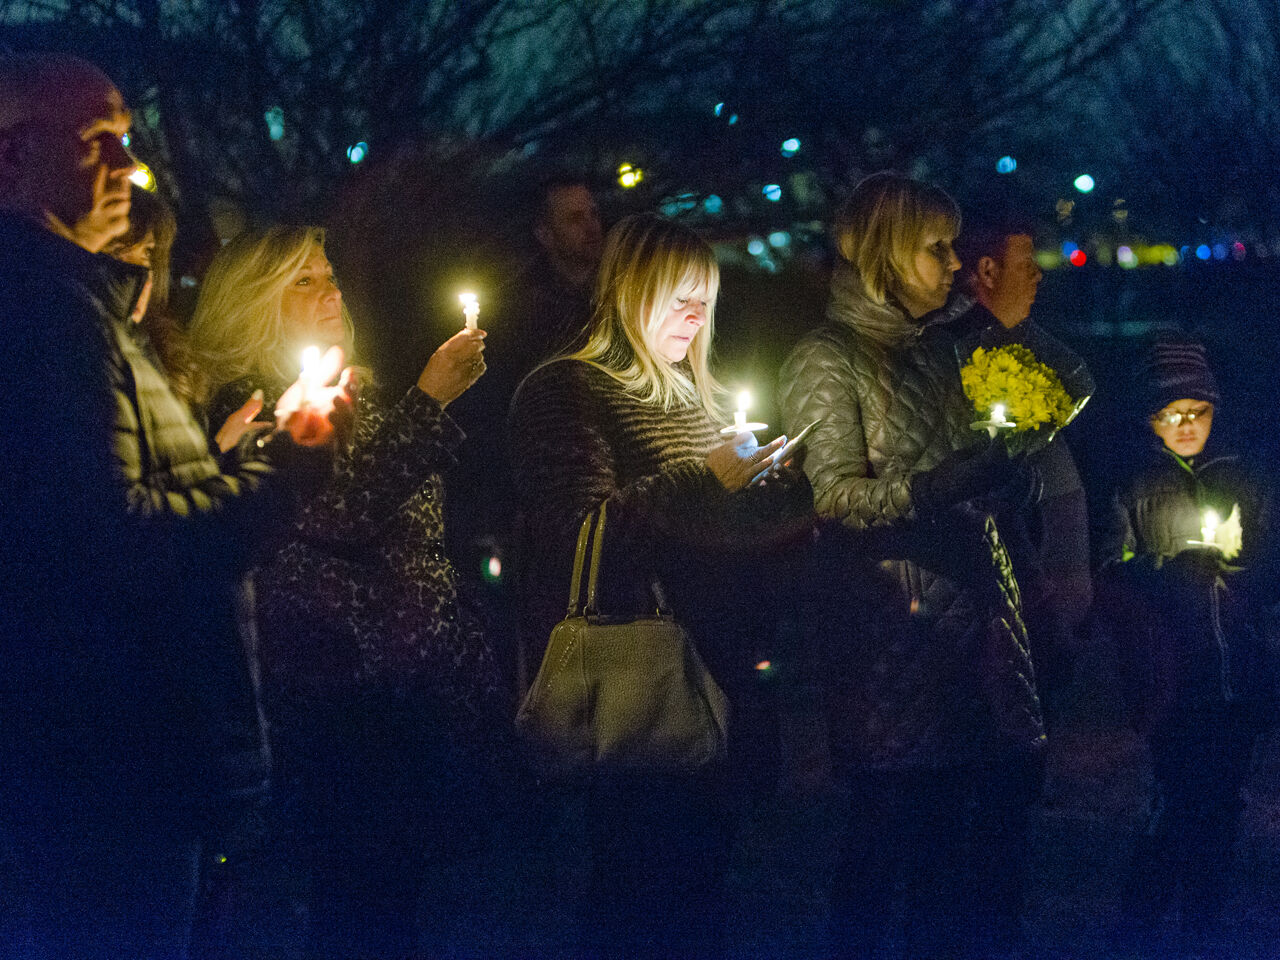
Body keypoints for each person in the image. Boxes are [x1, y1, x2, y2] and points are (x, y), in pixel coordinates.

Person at [0, 54, 346, 959]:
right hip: (108, 765)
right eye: (99, 141)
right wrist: (288, 472)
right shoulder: (48, 319)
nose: (131, 165)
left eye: (129, 137)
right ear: (13, 156)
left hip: (116, 760)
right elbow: (119, 547)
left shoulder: (78, 309)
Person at [190, 224, 504, 959]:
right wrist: (431, 400)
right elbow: (333, 510)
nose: (329, 289)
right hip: (335, 690)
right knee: (354, 905)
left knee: (395, 905)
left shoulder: (364, 394)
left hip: (409, 687)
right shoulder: (249, 407)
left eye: (328, 273)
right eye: (302, 280)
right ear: (252, 303)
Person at [508, 213, 812, 958]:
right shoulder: (570, 389)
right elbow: (580, 537)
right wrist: (707, 479)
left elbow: (729, 539)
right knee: (636, 889)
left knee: (704, 889)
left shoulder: (706, 399)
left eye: (706, 298)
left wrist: (777, 496)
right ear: (628, 290)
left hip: (722, 670)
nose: (696, 315)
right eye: (680, 295)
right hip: (636, 678)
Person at [779, 172, 1046, 959]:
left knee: (954, 864)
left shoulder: (940, 351)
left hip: (972, 635)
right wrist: (933, 488)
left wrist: (1008, 475)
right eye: (937, 248)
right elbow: (833, 496)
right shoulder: (828, 357)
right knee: (883, 850)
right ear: (887, 256)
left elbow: (969, 468)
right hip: (892, 642)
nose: (956, 264)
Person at [1096, 339, 1277, 950]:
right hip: (1171, 672)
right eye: (1170, 414)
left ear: (1215, 409)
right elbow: (1110, 570)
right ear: (1150, 419)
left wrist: (1245, 565)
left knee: (1223, 806)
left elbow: (1270, 564)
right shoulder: (1135, 485)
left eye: (1197, 411)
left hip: (1238, 674)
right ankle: (1136, 929)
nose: (1185, 425)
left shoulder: (1244, 480)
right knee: (1175, 803)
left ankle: (1203, 930)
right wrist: (1169, 571)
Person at [948, 214, 1093, 724]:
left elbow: (1079, 380)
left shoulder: (1018, 343)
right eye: (1026, 262)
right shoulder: (960, 354)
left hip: (1052, 563)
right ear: (987, 271)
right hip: (1016, 568)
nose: (1038, 274)